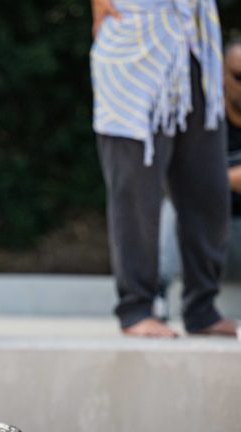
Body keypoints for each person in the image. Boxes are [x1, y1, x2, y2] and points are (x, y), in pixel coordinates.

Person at [90, 0, 236, 337]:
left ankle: (202, 309)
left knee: (208, 189)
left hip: (196, 47)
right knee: (136, 193)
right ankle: (136, 308)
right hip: (137, 49)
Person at [157, 38, 241, 313]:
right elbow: (169, 181)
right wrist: (226, 180)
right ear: (220, 75)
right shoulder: (199, 121)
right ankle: (157, 297)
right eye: (239, 76)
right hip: (205, 237)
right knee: (173, 207)